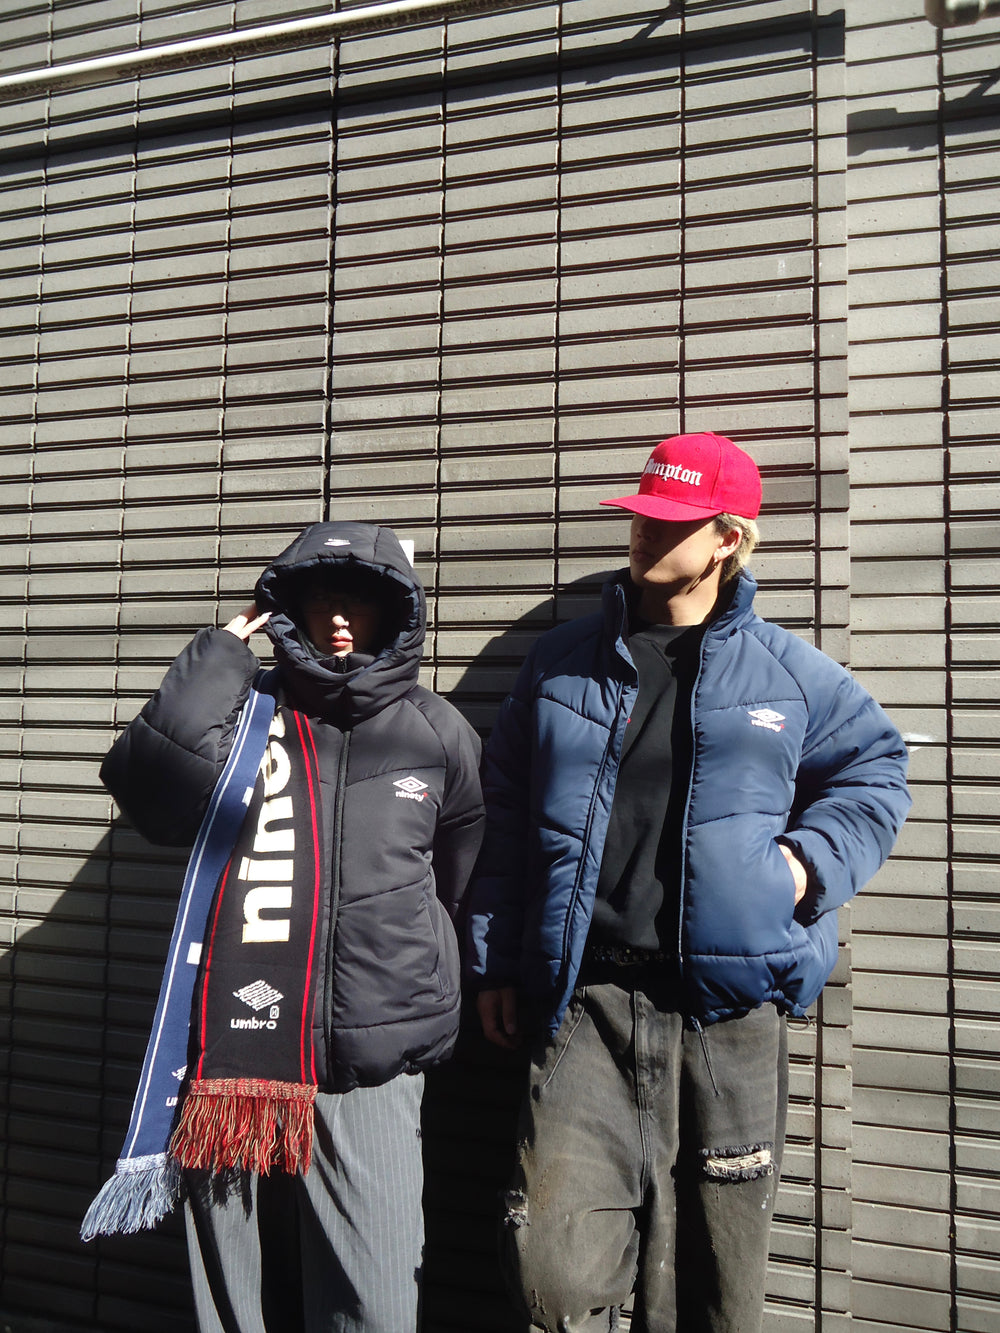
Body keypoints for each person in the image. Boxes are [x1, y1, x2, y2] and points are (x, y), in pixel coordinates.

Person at [465, 432, 911, 1333]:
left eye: (672, 522)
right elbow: (504, 815)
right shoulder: (561, 663)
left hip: (727, 1017)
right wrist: (496, 960)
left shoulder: (786, 672)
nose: (644, 533)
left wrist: (804, 866)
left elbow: (876, 769)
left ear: (727, 540)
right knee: (553, 1273)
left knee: (716, 1280)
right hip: (586, 1002)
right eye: (641, 515)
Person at [87, 521, 484, 1333]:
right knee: (228, 1294)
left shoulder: (436, 730)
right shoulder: (245, 713)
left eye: (360, 601)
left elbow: (465, 873)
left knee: (374, 1300)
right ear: (289, 607)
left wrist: (426, 973)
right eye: (321, 598)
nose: (339, 617)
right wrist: (214, 666)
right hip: (234, 1051)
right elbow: (150, 798)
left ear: (397, 612)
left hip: (370, 1050)